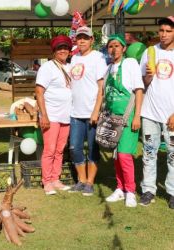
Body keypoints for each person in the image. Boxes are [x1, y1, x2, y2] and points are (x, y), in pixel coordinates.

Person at [104, 34, 144, 207]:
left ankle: (130, 191)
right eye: (110, 46)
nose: (114, 49)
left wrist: (137, 116)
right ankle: (120, 189)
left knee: (124, 155)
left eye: (117, 46)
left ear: (124, 48)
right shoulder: (108, 68)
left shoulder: (130, 63)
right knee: (115, 156)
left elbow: (139, 90)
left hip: (128, 116)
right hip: (112, 117)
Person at [67, 26, 107, 196]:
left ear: (92, 40)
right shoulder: (74, 58)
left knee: (92, 148)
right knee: (75, 147)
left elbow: (101, 87)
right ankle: (81, 180)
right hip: (75, 112)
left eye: (85, 37)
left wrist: (96, 111)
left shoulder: (98, 58)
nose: (82, 40)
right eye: (79, 38)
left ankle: (90, 182)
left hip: (92, 112)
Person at [139, 16, 174, 209]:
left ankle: (172, 192)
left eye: (168, 31)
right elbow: (142, 83)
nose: (164, 34)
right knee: (149, 152)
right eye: (161, 30)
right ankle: (148, 189)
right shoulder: (150, 52)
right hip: (150, 113)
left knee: (173, 153)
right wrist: (147, 78)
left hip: (172, 116)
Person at [35, 35, 72, 195]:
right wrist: (44, 115)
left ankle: (56, 179)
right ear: (54, 51)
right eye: (59, 48)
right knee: (49, 150)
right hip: (51, 115)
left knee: (60, 150)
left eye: (65, 48)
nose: (63, 50)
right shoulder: (47, 68)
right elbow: (39, 92)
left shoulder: (70, 67)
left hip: (66, 116)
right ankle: (47, 181)